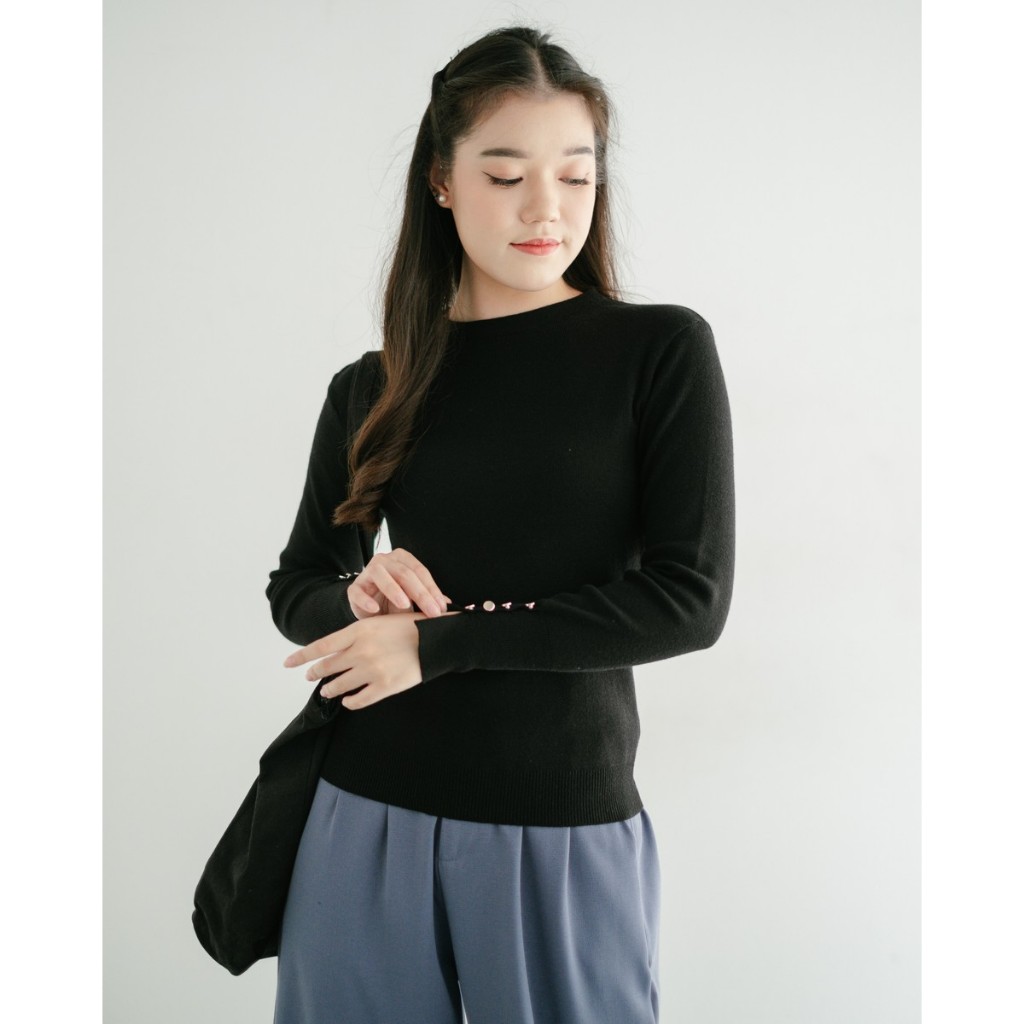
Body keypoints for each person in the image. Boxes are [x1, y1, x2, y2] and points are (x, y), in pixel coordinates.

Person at [265, 24, 735, 1024]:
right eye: (506, 173)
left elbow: (688, 602)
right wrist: (356, 595)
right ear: (442, 180)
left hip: (557, 819)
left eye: (576, 175)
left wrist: (437, 644)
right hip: (360, 810)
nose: (545, 207)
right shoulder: (373, 385)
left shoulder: (658, 352)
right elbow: (298, 586)